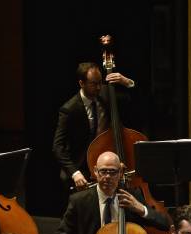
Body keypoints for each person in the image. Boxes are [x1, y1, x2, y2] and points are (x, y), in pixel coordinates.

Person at [52, 61, 135, 192]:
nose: (98, 88)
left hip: (107, 158)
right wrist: (75, 173)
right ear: (81, 83)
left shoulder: (107, 93)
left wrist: (127, 82)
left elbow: (135, 103)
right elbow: (58, 147)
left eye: (100, 82)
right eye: (93, 84)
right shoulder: (69, 109)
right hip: (82, 163)